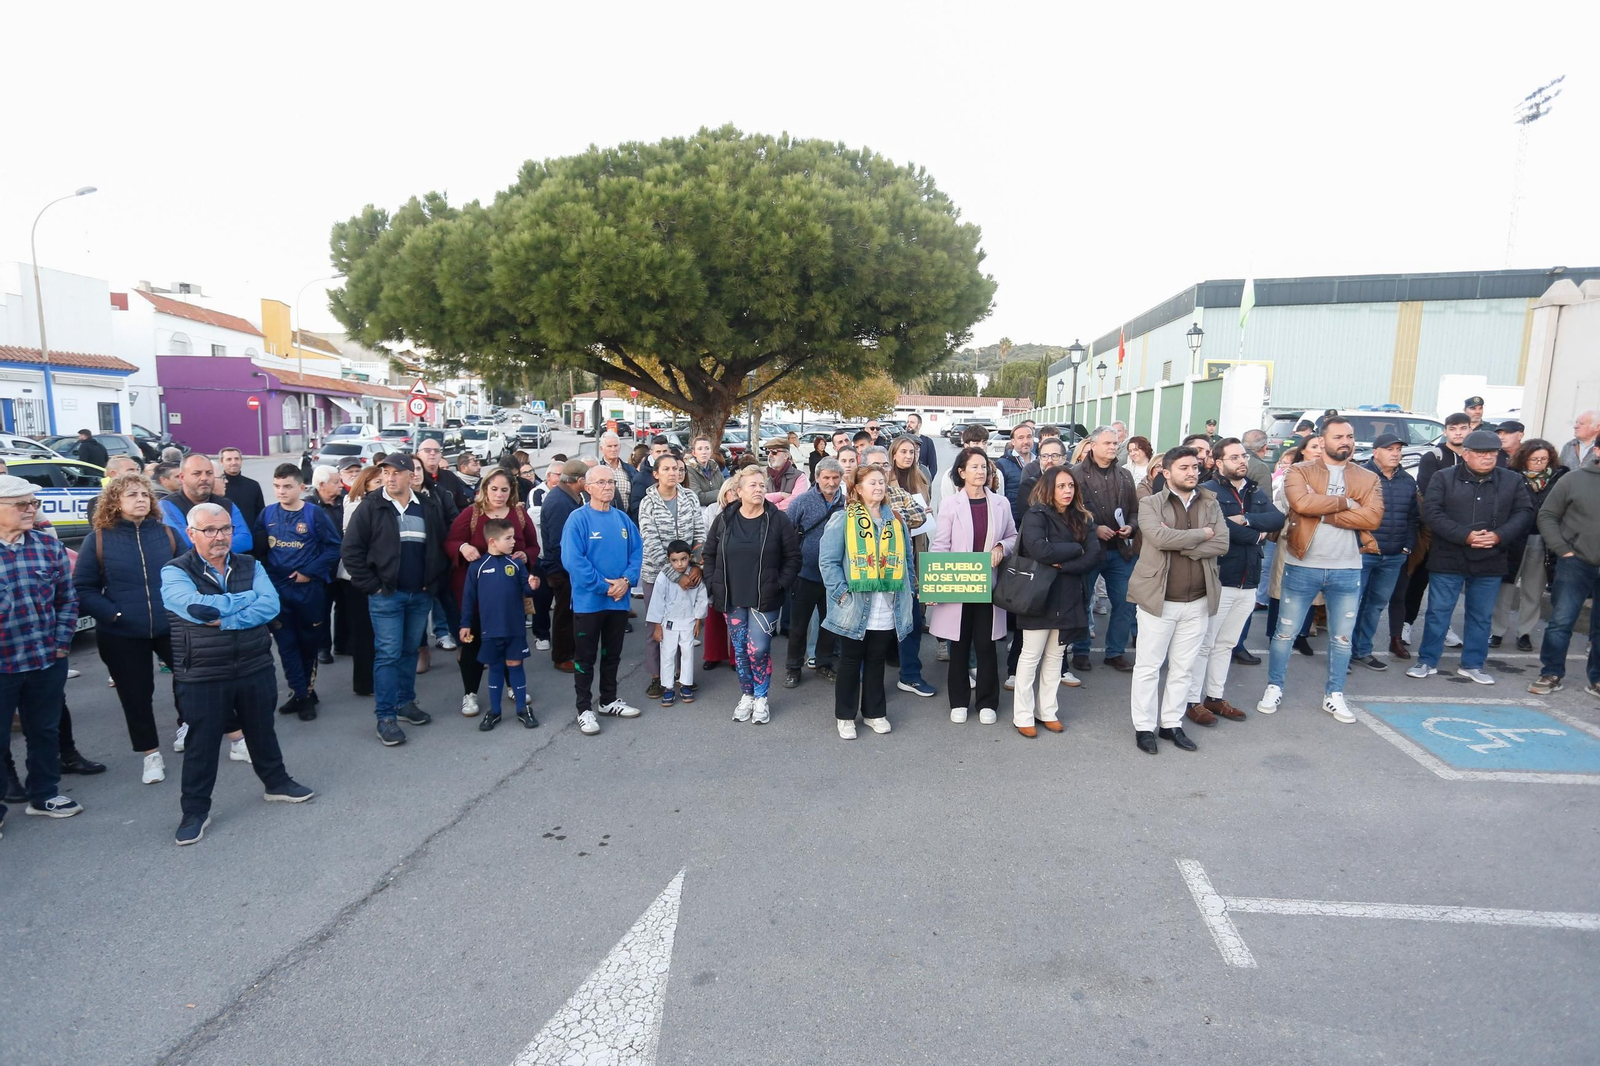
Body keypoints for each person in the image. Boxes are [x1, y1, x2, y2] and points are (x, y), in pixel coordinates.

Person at [161, 501, 313, 844]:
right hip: (202, 672)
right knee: (201, 743)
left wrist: (226, 616)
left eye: (226, 529)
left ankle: (276, 784)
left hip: (254, 664)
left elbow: (271, 604)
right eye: (210, 530)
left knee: (262, 729)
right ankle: (195, 811)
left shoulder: (250, 563)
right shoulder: (174, 571)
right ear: (191, 534)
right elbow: (194, 608)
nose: (220, 537)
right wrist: (246, 602)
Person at [1258, 416, 1383, 723]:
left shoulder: (1368, 478)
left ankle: (1334, 695)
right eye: (1339, 436)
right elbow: (1301, 504)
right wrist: (1348, 504)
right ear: (1323, 439)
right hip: (1303, 564)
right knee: (1284, 633)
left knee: (1342, 638)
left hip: (1347, 568)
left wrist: (1326, 513)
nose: (1346, 442)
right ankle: (1274, 686)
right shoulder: (1299, 470)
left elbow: (1372, 519)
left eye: (1350, 437)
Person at [73, 472, 185, 783]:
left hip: (169, 624)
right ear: (115, 503)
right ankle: (150, 755)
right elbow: (83, 587)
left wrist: (179, 608)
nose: (140, 500)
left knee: (191, 677)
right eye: (132, 495)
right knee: (136, 696)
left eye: (144, 494)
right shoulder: (98, 538)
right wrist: (115, 616)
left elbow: (189, 573)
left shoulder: (166, 534)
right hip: (121, 632)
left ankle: (187, 725)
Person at [1407, 429, 1534, 685]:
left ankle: (1473, 664)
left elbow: (1524, 513)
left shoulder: (1511, 480)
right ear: (1466, 454)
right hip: (1448, 557)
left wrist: (1498, 536)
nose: (1488, 457)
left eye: (1493, 452)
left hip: (1491, 557)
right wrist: (1466, 536)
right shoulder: (1443, 477)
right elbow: (1432, 512)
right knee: (1438, 612)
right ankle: (1427, 660)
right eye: (1481, 453)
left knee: (1480, 615)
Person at [341, 454, 448, 747]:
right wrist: (373, 587)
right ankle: (385, 717)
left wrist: (433, 583)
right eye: (386, 472)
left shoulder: (427, 506)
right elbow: (350, 551)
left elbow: (439, 546)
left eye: (396, 472)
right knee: (388, 654)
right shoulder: (371, 506)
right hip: (386, 595)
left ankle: (405, 703)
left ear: (409, 475)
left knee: (410, 650)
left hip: (420, 593)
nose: (390, 478)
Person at [1126, 447, 1228, 753]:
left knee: (1184, 667)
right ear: (1166, 473)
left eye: (1195, 467)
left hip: (1198, 600)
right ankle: (1144, 727)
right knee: (1148, 666)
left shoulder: (1210, 502)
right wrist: (1202, 535)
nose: (1192, 473)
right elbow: (1158, 538)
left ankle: (1171, 724)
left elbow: (1222, 542)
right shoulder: (1150, 503)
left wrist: (1185, 543)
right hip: (1159, 599)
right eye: (1184, 468)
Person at [0, 474, 83, 823]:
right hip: (2, 666)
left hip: (45, 660)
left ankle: (44, 794)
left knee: (44, 731)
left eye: (34, 503)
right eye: (23, 505)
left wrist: (61, 645)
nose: (32, 510)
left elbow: (67, 600)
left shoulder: (47, 546)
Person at [1185, 438, 1284, 724]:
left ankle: (1214, 697)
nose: (1243, 461)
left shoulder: (1253, 490)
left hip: (1249, 580)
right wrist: (1256, 534)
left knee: (1226, 643)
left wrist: (1248, 519)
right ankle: (1192, 700)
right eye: (1235, 457)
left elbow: (1277, 519)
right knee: (1205, 643)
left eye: (1244, 456)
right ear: (1218, 462)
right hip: (1221, 578)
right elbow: (1220, 530)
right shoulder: (1208, 492)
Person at [817, 464, 917, 738]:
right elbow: (828, 561)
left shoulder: (895, 520)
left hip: (888, 603)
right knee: (850, 660)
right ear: (858, 489)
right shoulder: (844, 519)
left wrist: (913, 591)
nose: (878, 487)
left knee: (876, 659)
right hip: (855, 604)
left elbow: (907, 561)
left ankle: (874, 712)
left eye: (881, 482)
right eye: (872, 483)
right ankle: (846, 716)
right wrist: (841, 594)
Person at [703, 466, 802, 724]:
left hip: (765, 598)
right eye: (753, 486)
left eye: (762, 485)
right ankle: (746, 695)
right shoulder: (724, 519)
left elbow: (793, 557)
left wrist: (780, 584)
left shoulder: (778, 519)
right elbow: (709, 554)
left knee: (758, 649)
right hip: (732, 597)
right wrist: (712, 583)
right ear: (738, 491)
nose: (759, 489)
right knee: (740, 650)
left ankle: (761, 698)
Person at [929, 447, 1017, 725]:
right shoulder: (951, 504)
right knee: (959, 643)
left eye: (984, 467)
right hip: (958, 581)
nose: (981, 472)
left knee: (987, 644)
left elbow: (1013, 535)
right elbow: (940, 545)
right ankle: (958, 701)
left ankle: (988, 702)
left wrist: (1002, 547)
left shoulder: (1001, 503)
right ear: (962, 472)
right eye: (975, 467)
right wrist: (935, 584)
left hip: (988, 584)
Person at [1012, 467, 1103, 737]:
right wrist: (1077, 548)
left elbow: (1094, 555)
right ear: (1049, 488)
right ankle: (1023, 715)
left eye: (1071, 486)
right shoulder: (1035, 515)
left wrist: (1062, 564)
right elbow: (1039, 549)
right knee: (1030, 657)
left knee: (1055, 656)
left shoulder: (1083, 517)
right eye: (1061, 486)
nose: (1067, 491)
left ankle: (1047, 711)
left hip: (1070, 593)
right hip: (1039, 595)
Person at [446, 468, 539, 717]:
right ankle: (470, 693)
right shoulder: (472, 514)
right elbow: (451, 542)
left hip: (509, 594)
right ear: (485, 488)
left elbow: (533, 545)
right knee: (473, 643)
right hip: (477, 592)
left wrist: (525, 555)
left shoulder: (519, 514)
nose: (499, 494)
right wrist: (464, 547)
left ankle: (512, 686)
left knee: (509, 640)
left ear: (512, 491)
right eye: (494, 488)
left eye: (504, 489)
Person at [254, 464, 342, 721]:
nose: (281, 491)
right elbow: (259, 552)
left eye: (287, 486)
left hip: (309, 590)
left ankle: (305, 692)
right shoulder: (267, 514)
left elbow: (334, 548)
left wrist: (309, 571)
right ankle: (301, 695)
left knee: (307, 643)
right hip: (278, 592)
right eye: (277, 487)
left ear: (301, 488)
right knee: (285, 644)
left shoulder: (314, 515)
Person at [560, 465, 644, 735]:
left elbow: (637, 551)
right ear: (588, 487)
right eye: (601, 482)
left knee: (612, 655)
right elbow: (573, 560)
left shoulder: (622, 519)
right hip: (589, 603)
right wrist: (603, 586)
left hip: (618, 602)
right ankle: (584, 708)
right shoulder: (578, 519)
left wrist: (627, 580)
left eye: (611, 482)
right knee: (585, 658)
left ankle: (608, 700)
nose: (608, 487)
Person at [1528, 446, 1600, 697]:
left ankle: (1597, 680)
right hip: (1576, 562)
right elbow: (1547, 515)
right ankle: (1551, 673)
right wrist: (1562, 549)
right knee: (1561, 621)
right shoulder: (1573, 479)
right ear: (1598, 450)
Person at [635, 452, 706, 700]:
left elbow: (700, 532)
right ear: (656, 474)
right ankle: (658, 677)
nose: (673, 473)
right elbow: (651, 543)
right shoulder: (648, 503)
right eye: (666, 469)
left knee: (684, 624)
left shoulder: (689, 498)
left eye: (676, 469)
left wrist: (696, 566)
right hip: (657, 574)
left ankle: (680, 674)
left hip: (689, 573)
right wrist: (675, 576)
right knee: (658, 626)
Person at [458, 518, 540, 730]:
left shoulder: (516, 564)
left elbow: (526, 591)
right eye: (509, 538)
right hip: (489, 629)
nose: (514, 542)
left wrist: (533, 585)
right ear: (493, 541)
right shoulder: (477, 567)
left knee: (515, 664)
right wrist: (465, 624)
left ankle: (522, 708)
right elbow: (468, 598)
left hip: (514, 628)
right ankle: (495, 710)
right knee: (495, 667)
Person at [1070, 427, 1139, 674]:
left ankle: (1115, 652)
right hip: (1088, 550)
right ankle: (1080, 651)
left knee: (1125, 602)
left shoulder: (1125, 476)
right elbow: (1069, 512)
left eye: (1115, 443)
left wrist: (1131, 526)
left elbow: (1133, 510)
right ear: (1093, 445)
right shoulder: (1075, 475)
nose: (1113, 447)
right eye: (1108, 443)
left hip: (1119, 551)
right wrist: (1095, 528)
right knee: (1082, 601)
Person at [1401, 412, 1473, 651]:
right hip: (1433, 531)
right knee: (1419, 579)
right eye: (1453, 428)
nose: (1458, 433)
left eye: (1463, 428)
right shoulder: (1434, 456)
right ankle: (1405, 623)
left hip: (1463, 533)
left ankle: (1443, 629)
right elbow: (1429, 490)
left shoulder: (1475, 456)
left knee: (1448, 587)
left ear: (1470, 429)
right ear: (1445, 431)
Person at [1350, 434, 1420, 671]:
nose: (1396, 453)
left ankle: (1362, 651)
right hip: (1363, 553)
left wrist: (1407, 546)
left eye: (1398, 449)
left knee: (1376, 604)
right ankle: (1342, 653)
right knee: (1350, 604)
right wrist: (1356, 543)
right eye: (1390, 449)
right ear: (1375, 451)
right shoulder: (1359, 476)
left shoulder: (1408, 481)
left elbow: (1413, 517)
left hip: (1393, 555)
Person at [1493, 440, 1566, 652]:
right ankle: (1497, 631)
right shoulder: (1510, 475)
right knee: (1505, 588)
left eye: (1543, 459)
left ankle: (1524, 633)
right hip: (1514, 539)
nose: (1538, 464)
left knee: (1533, 591)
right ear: (1524, 458)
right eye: (1534, 459)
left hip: (1542, 540)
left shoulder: (1559, 478)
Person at [784, 458, 846, 687]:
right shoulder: (801, 502)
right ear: (817, 478)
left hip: (835, 577)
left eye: (835, 478)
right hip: (805, 574)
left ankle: (824, 664)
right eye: (826, 477)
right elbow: (787, 536)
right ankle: (793, 667)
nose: (831, 482)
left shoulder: (848, 504)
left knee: (829, 624)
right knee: (799, 625)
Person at [887, 435, 936, 697]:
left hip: (918, 546)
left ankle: (910, 673)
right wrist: (910, 517)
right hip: (889, 555)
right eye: (903, 451)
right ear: (892, 455)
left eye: (912, 452)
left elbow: (926, 512)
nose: (908, 456)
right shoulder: (884, 482)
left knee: (914, 612)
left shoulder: (922, 478)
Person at [647, 540, 709, 706]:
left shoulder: (695, 576)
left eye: (683, 559)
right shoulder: (664, 577)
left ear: (689, 558)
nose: (679, 564)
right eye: (674, 560)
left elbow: (701, 599)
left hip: (688, 623)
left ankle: (686, 684)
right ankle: (667, 687)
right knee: (667, 655)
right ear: (669, 560)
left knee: (687, 654)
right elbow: (657, 602)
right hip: (669, 624)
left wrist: (698, 621)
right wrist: (657, 626)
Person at [339, 466, 384, 696]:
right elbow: (353, 545)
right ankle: (364, 683)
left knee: (375, 632)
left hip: (372, 575)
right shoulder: (357, 505)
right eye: (377, 482)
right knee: (364, 632)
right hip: (357, 577)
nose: (382, 486)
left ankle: (373, 679)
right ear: (365, 484)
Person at [540, 459, 588, 674]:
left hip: (569, 567)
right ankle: (561, 656)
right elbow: (558, 543)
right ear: (579, 480)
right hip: (562, 569)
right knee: (564, 613)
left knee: (571, 612)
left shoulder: (570, 497)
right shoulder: (559, 502)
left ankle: (571, 650)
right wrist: (573, 566)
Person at [161, 453, 253, 553]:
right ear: (182, 478)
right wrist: (221, 546)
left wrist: (210, 549)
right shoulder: (168, 505)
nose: (204, 478)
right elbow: (184, 542)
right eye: (197, 473)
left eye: (209, 473)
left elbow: (245, 541)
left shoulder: (226, 504)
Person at [310, 465, 346, 663]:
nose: (341, 485)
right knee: (322, 610)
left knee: (344, 607)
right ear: (322, 485)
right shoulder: (309, 506)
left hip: (343, 566)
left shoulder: (345, 500)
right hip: (321, 568)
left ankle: (343, 644)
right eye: (336, 482)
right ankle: (323, 648)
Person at [995, 423, 1036, 522]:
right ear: (1013, 441)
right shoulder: (1001, 464)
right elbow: (998, 496)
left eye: (1029, 437)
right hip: (1013, 520)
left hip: (1036, 518)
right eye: (1021, 438)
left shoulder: (1040, 462)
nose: (1026, 441)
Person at [218, 447, 265, 530]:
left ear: (241, 461)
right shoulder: (218, 487)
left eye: (237, 459)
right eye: (229, 459)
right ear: (221, 462)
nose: (234, 462)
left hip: (251, 536)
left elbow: (261, 515)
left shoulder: (253, 485)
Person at [761, 436, 807, 509]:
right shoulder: (762, 475)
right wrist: (780, 495)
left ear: (786, 455)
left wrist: (771, 508)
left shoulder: (799, 476)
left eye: (774, 452)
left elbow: (796, 501)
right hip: (764, 519)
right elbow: (756, 497)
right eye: (768, 452)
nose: (770, 455)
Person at [686, 436, 726, 506]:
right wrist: (720, 493)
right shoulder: (689, 470)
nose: (704, 452)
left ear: (711, 452)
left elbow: (726, 489)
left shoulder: (715, 467)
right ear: (694, 453)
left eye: (707, 448)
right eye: (700, 449)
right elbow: (698, 497)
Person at [904, 412, 938, 481]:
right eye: (908, 422)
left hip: (920, 481)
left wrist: (927, 482)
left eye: (912, 422)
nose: (909, 424)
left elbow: (933, 467)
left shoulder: (928, 442)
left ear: (919, 425)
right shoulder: (901, 441)